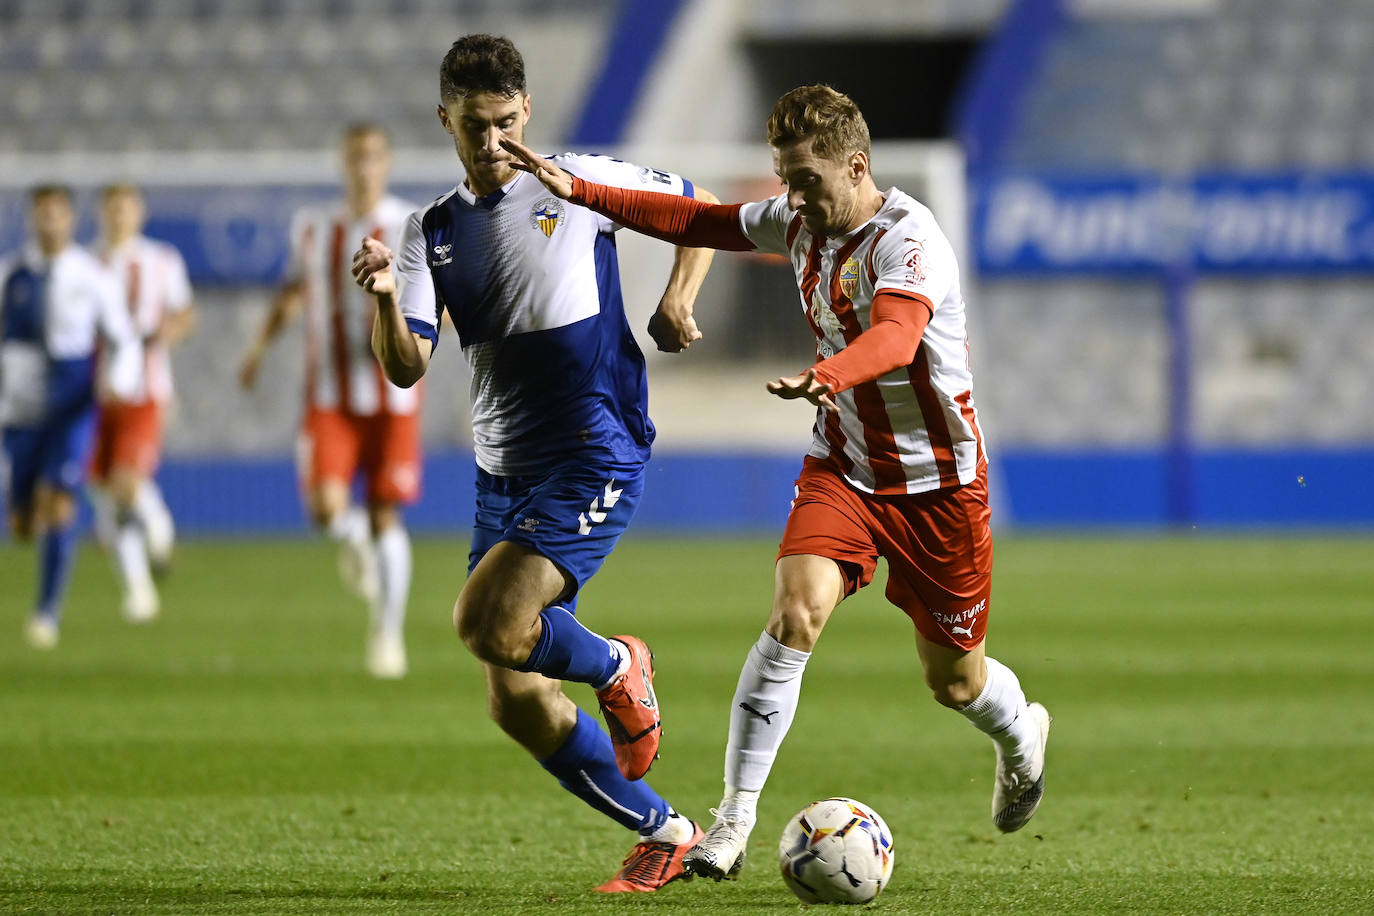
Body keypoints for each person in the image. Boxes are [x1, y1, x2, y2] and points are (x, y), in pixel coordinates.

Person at [501, 83, 1053, 880]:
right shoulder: (798, 222)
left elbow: (898, 337)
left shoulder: (911, 240)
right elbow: (699, 221)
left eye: (806, 180)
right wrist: (583, 192)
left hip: (940, 487)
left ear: (856, 166)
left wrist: (829, 373)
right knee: (796, 612)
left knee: (956, 683)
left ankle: (1021, 735)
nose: (792, 197)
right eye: (786, 180)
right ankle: (733, 820)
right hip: (846, 467)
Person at [349, 34, 718, 892]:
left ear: (527, 113)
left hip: (594, 452)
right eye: (474, 125)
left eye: (506, 123)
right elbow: (405, 366)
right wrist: (383, 301)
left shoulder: (575, 183)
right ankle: (666, 831)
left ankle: (618, 665)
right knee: (514, 697)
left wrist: (677, 296)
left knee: (488, 624)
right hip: (502, 473)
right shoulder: (429, 231)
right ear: (445, 120)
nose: (492, 142)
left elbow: (699, 208)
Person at [238, 123, 419, 679]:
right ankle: (354, 537)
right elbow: (293, 292)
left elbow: (438, 295)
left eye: (373, 157)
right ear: (343, 164)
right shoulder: (313, 227)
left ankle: (387, 635)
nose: (364, 167)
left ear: (387, 163)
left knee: (386, 512)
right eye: (355, 157)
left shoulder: (410, 224)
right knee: (324, 510)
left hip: (392, 393)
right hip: (330, 391)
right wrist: (259, 347)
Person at [2, 185, 142, 648]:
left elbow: (123, 337)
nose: (50, 223)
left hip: (72, 404)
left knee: (59, 501)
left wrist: (118, 380)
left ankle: (46, 613)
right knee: (23, 524)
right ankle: (30, 519)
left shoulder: (92, 276)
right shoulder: (11, 275)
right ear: (31, 220)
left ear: (71, 220)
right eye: (42, 214)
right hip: (20, 409)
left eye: (57, 214)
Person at [87, 183, 196, 623]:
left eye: (127, 207)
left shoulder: (161, 260)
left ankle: (158, 526)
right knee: (104, 495)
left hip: (145, 390)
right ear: (101, 213)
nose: (119, 215)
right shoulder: (85, 263)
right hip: (92, 395)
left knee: (125, 484)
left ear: (140, 213)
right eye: (112, 207)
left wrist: (167, 332)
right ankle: (139, 590)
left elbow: (185, 313)